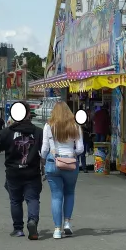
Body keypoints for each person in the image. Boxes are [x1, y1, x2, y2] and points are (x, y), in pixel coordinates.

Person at [0, 102, 43, 239]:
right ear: (29, 114)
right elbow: (45, 150)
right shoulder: (38, 132)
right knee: (32, 198)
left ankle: (18, 228)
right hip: (32, 171)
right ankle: (32, 221)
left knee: (15, 200)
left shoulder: (7, 132)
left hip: (13, 172)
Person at [41, 102, 84, 239]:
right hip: (71, 164)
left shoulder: (49, 126)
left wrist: (43, 158)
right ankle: (67, 223)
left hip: (53, 163)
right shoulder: (75, 126)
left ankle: (57, 230)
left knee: (56, 195)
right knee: (70, 192)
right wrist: (72, 154)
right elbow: (80, 149)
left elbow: (44, 149)